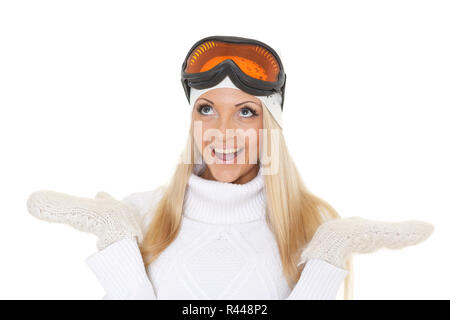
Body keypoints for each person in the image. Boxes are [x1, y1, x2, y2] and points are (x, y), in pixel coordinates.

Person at [26, 36, 433, 300]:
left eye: (245, 112)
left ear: (270, 125)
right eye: (207, 109)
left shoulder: (313, 224)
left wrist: (328, 261)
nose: (222, 132)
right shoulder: (139, 216)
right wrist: (117, 247)